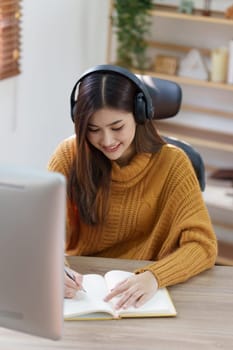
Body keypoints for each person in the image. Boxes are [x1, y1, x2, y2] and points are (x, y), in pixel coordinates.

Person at [48, 64, 217, 309]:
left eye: (117, 127)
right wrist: (52, 266)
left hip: (145, 291)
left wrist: (155, 276)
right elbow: (42, 231)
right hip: (83, 288)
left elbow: (202, 246)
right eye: (93, 130)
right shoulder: (69, 156)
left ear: (140, 114)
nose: (106, 141)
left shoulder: (174, 164)